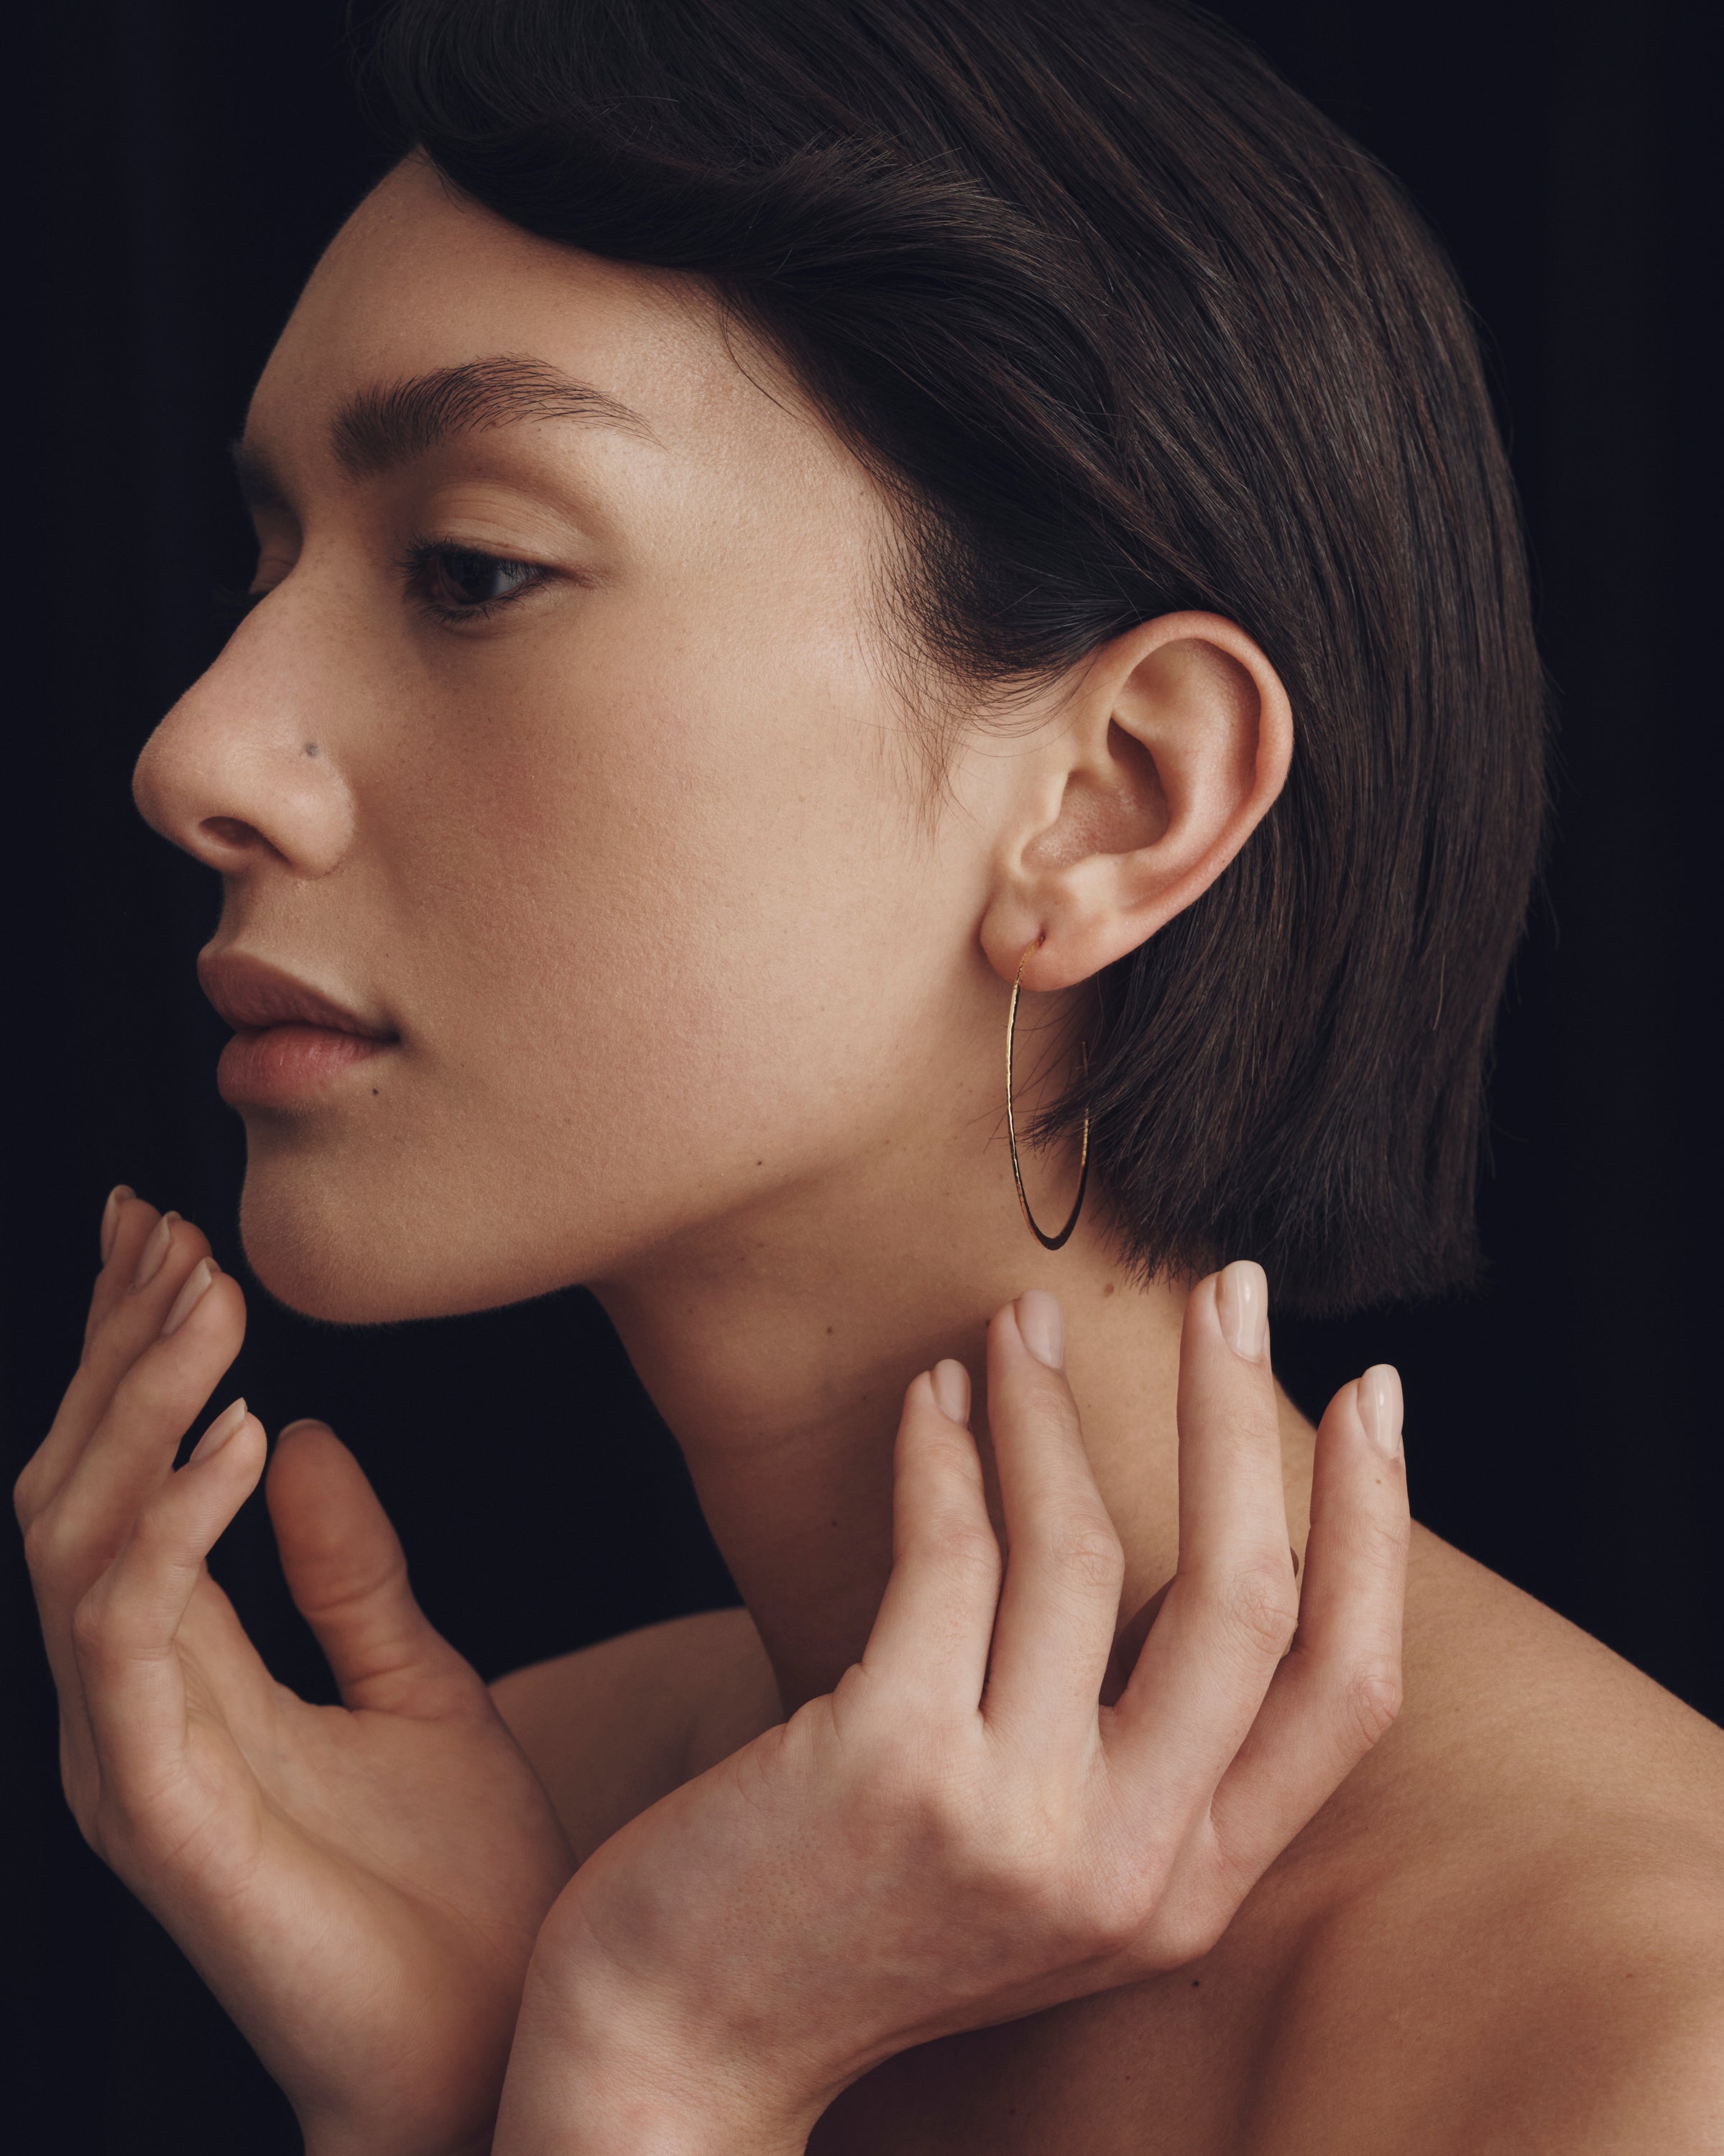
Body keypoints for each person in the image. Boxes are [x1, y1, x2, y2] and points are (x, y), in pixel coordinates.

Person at [17, 1, 1724, 2149]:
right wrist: (455, 2103)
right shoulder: (512, 1824)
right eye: (266, 566)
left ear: (1114, 800)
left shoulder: (1642, 2042)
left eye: (471, 569)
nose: (193, 756)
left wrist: (657, 2074)